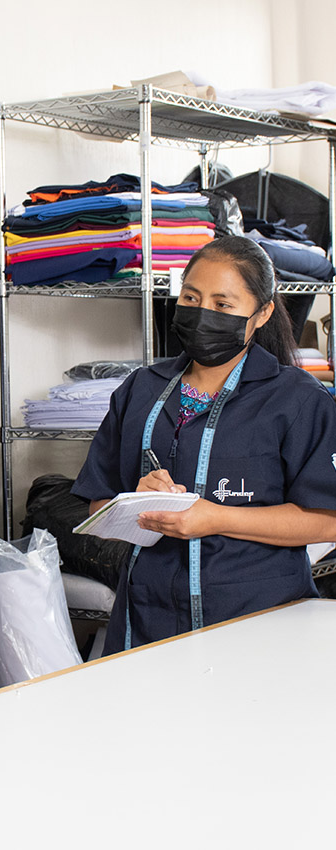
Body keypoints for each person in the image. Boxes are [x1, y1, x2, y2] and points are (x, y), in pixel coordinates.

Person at [72, 236, 336, 655]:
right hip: (146, 620)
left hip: (259, 622)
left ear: (262, 313)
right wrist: (135, 502)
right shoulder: (141, 390)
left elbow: (327, 521)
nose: (202, 313)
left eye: (223, 304)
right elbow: (96, 505)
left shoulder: (298, 400)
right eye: (191, 298)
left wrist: (215, 518)